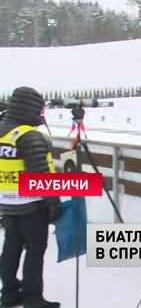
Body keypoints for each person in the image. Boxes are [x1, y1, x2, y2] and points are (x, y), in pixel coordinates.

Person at [0, 87, 63, 308]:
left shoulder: (2, 132)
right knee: (35, 250)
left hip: (6, 201)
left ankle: (8, 294)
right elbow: (40, 174)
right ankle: (33, 298)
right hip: (31, 203)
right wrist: (54, 203)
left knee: (11, 247)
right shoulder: (29, 136)